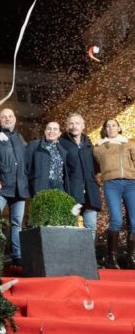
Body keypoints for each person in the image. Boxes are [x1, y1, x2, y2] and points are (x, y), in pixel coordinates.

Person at [0, 108, 30, 265]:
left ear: (15, 118)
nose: (7, 119)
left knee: (17, 223)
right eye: (3, 117)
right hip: (2, 187)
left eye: (10, 116)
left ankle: (17, 255)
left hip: (19, 189)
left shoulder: (20, 138)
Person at [93, 119, 135, 269]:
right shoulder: (99, 148)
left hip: (131, 184)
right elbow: (96, 167)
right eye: (108, 126)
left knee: (134, 221)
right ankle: (111, 258)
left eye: (114, 125)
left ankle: (131, 258)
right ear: (104, 129)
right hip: (111, 184)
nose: (111, 128)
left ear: (119, 127)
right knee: (116, 219)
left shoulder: (129, 144)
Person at [59, 113, 101, 230]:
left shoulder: (88, 144)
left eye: (77, 123)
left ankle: (89, 249)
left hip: (90, 193)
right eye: (71, 123)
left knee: (91, 227)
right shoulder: (61, 143)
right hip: (72, 193)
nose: (74, 126)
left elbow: (96, 166)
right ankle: (74, 249)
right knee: (73, 226)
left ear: (83, 126)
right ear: (67, 126)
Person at [25, 122, 69, 196]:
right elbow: (26, 167)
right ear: (45, 132)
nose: (51, 131)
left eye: (55, 129)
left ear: (59, 133)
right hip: (41, 186)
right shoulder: (34, 145)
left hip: (59, 187)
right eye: (49, 129)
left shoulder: (63, 150)